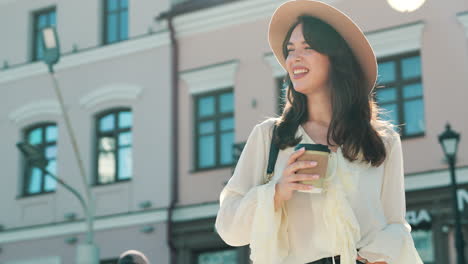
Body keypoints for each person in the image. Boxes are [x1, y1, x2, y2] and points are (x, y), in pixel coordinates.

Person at [215, 1, 424, 264]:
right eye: (290, 50)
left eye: (308, 48)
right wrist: (278, 191)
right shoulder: (270, 137)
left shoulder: (383, 141)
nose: (294, 58)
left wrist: (379, 253)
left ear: (335, 58)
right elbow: (228, 228)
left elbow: (396, 224)